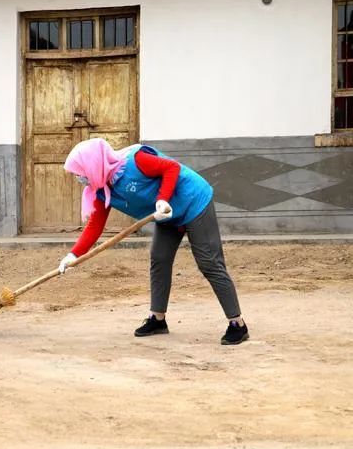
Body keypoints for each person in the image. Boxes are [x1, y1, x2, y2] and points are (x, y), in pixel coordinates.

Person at [57, 138, 249, 345]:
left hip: (193, 201)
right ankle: (158, 319)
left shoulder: (135, 160)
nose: (79, 178)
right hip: (166, 214)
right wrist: (73, 255)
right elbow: (95, 226)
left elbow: (171, 168)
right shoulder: (102, 190)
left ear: (93, 165)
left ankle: (237, 323)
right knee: (159, 259)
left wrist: (163, 198)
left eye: (79, 172)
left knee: (209, 262)